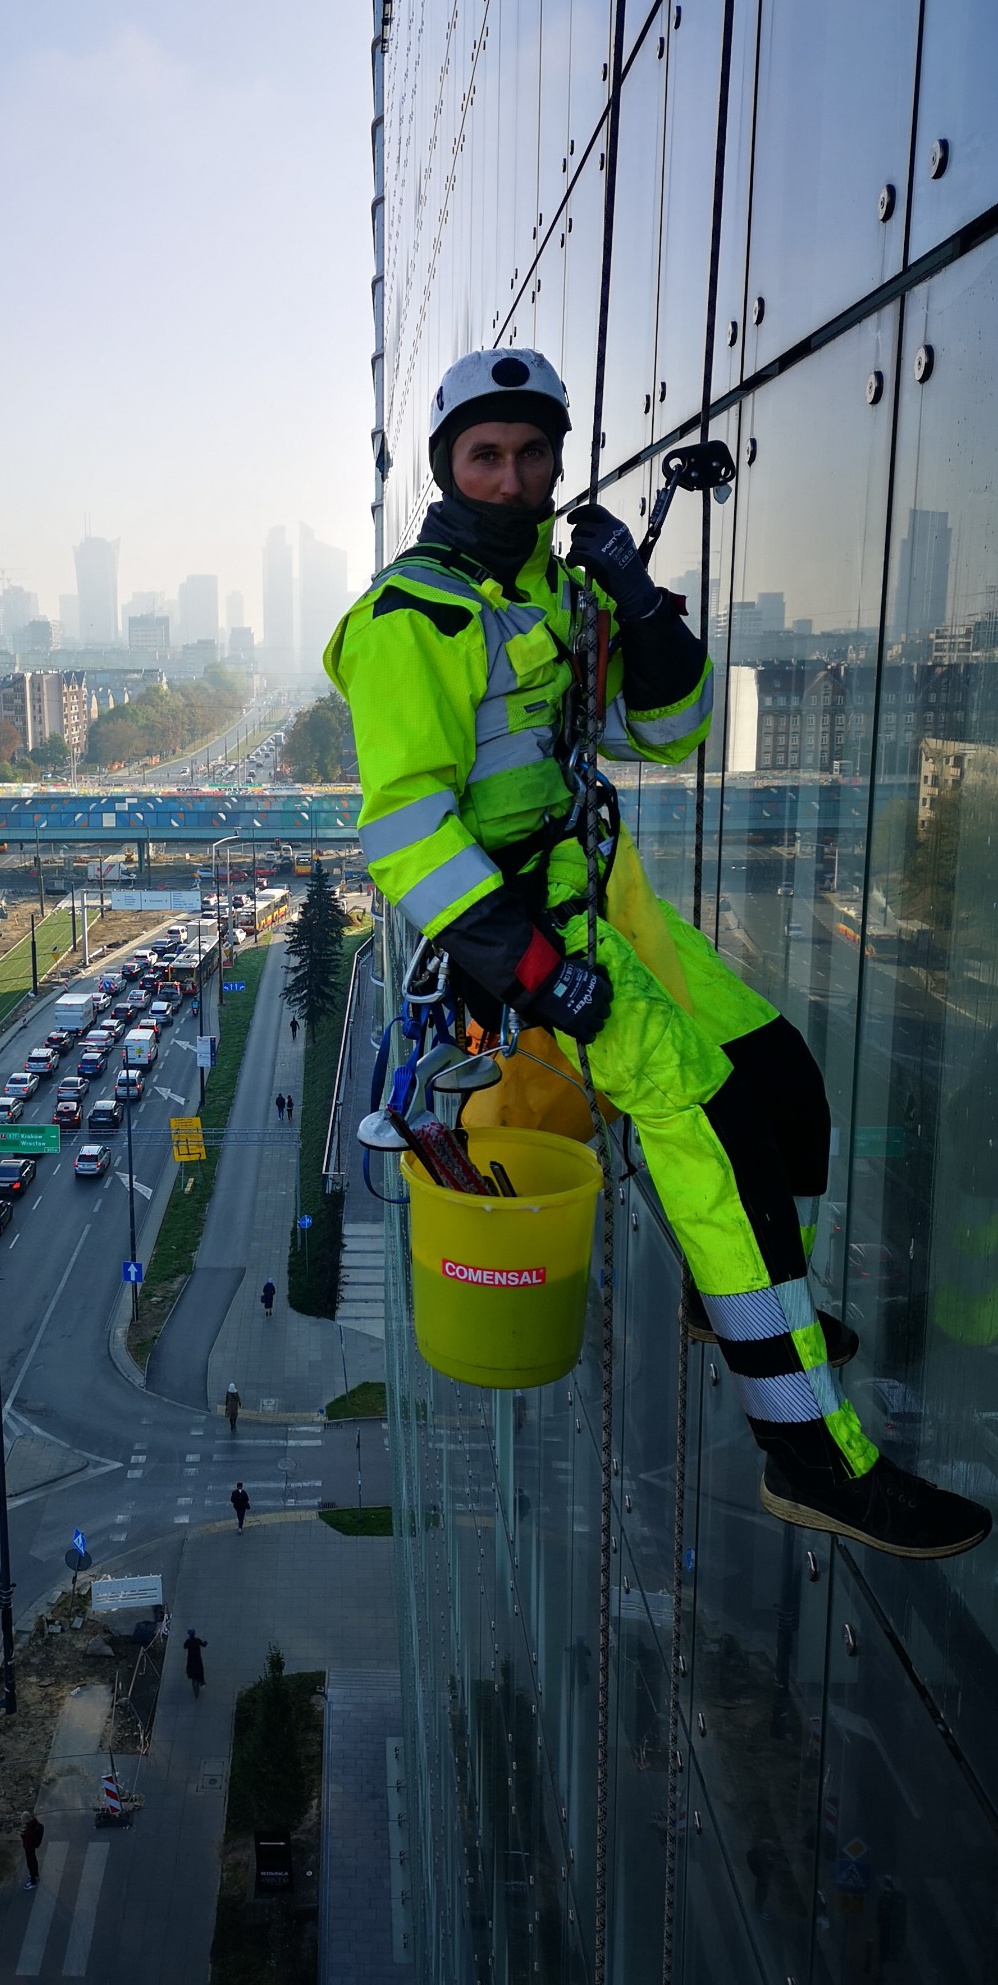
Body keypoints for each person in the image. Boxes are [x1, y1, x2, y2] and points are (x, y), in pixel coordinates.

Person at [324, 343, 990, 1561]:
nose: (514, 475)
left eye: (534, 454)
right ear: (449, 466)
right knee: (716, 1137)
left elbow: (671, 730)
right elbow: (407, 832)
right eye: (489, 454)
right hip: (528, 929)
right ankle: (810, 1452)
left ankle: (717, 1294)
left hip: (603, 894)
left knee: (781, 1078)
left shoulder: (565, 596)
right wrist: (532, 972)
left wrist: (635, 598)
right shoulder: (410, 620)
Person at [20, 1810, 45, 1889]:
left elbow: (27, 1840)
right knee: (34, 1860)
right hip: (33, 1846)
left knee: (30, 1863)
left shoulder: (31, 1829)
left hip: (29, 1848)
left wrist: (22, 1835)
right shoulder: (35, 1824)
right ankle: (36, 1874)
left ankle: (33, 1880)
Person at [184, 1628, 208, 1696]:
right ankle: (202, 1682)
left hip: (190, 1659)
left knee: (189, 1668)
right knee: (201, 1669)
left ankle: (190, 1675)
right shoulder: (197, 1640)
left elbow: (184, 1647)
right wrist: (205, 1643)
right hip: (197, 1659)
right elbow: (203, 1644)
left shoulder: (188, 1641)